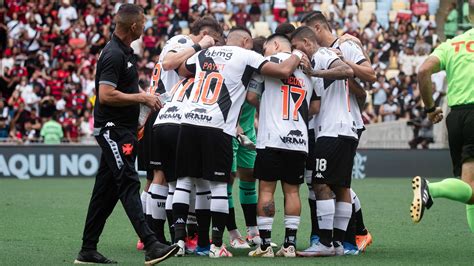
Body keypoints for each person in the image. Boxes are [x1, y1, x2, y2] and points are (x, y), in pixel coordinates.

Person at [173, 26, 303, 258]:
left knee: (184, 181)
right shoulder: (247, 55)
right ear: (245, 41)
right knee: (219, 186)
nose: (255, 48)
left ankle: (179, 243)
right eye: (252, 43)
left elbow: (182, 69)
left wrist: (199, 48)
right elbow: (284, 69)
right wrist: (299, 53)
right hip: (217, 126)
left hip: (189, 121)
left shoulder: (206, 53)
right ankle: (215, 246)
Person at [74, 4, 178, 265]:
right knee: (129, 182)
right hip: (112, 131)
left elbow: (119, 92)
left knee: (105, 193)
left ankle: (88, 250)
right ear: (133, 26)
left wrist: (142, 104)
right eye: (143, 22)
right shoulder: (113, 54)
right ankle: (151, 243)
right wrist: (142, 97)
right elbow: (106, 95)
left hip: (123, 130)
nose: (145, 26)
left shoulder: (124, 52)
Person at [300, 11, 374, 254]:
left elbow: (369, 77)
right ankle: (342, 240)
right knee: (335, 184)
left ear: (318, 29)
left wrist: (346, 65)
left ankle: (341, 239)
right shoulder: (320, 55)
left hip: (341, 125)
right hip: (322, 125)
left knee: (325, 182)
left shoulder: (345, 45)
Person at [147, 16, 221, 256]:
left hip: (164, 114)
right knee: (178, 179)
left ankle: (163, 237)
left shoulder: (183, 45)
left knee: (167, 179)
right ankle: (163, 237)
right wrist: (201, 45)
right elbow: (169, 63)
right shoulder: (182, 41)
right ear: (205, 33)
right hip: (173, 113)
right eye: (214, 40)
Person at [247, 33, 320, 258]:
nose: (263, 52)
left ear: (275, 45)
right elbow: (315, 106)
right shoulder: (309, 70)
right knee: (292, 192)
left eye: (266, 47)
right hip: (298, 141)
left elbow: (250, 97)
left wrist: (268, 108)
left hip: (271, 139)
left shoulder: (266, 65)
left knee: (266, 190)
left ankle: (266, 244)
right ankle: (290, 244)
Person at [290, 26, 355, 257]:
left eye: (297, 47)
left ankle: (325, 242)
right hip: (344, 129)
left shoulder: (322, 55)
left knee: (320, 184)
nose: (297, 53)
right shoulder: (320, 58)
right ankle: (337, 243)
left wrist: (313, 73)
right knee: (342, 187)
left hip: (332, 130)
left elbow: (347, 70)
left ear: (307, 43)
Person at [411, 2, 474, 233]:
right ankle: (432, 189)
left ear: (467, 17)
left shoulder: (452, 44)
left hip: (457, 116)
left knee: (470, 189)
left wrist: (429, 108)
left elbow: (423, 71)